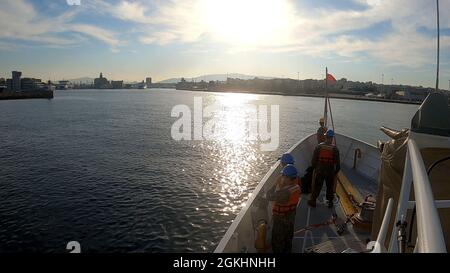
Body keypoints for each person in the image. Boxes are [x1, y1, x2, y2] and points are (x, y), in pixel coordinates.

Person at [267, 164, 301, 253]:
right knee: (288, 236)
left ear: (289, 178)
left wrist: (273, 186)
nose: (282, 177)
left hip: (281, 219)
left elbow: (270, 197)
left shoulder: (285, 192)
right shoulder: (296, 187)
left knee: (277, 239)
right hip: (290, 216)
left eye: (283, 176)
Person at [308, 129, 340, 208]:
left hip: (320, 170)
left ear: (325, 137)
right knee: (330, 187)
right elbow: (338, 164)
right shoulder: (335, 149)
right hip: (330, 171)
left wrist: (315, 167)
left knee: (317, 186)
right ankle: (330, 202)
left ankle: (313, 201)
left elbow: (314, 160)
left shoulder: (319, 146)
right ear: (332, 138)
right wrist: (335, 172)